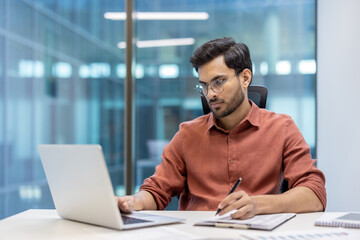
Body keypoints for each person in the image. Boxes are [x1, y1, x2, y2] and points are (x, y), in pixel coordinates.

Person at [117, 37, 326, 219]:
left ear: (245, 78)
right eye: (204, 85)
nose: (211, 94)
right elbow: (156, 191)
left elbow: (315, 195)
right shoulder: (187, 134)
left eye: (218, 82)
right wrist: (133, 202)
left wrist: (258, 205)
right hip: (195, 233)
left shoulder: (282, 127)